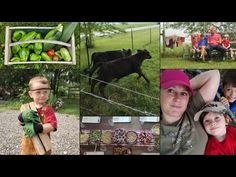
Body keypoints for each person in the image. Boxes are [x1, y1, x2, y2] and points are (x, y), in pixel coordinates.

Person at [160, 69, 220, 154]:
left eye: (183, 94)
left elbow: (214, 74)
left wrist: (185, 85)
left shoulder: (192, 110)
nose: (178, 99)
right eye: (171, 91)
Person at [18, 76, 57, 155]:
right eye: (38, 92)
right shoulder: (26, 107)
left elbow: (52, 125)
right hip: (28, 143)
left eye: (45, 92)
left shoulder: (48, 109)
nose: (42, 95)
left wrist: (37, 128)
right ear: (31, 94)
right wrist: (21, 118)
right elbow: (21, 123)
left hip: (43, 144)